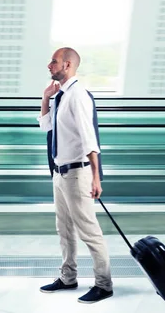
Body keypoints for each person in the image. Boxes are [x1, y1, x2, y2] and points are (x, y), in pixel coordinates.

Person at [37, 47, 113, 304]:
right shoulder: (61, 96)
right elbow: (46, 127)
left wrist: (96, 177)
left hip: (77, 173)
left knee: (89, 231)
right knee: (65, 230)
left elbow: (89, 137)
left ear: (67, 65)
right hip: (60, 173)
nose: (49, 65)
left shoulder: (78, 95)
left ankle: (104, 285)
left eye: (54, 61)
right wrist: (46, 98)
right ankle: (68, 278)